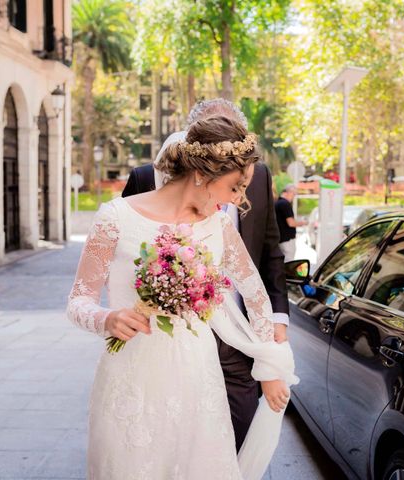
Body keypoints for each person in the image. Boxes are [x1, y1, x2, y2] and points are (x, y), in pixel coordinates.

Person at [67, 116, 296, 479]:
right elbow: (78, 300)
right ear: (203, 174)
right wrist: (107, 319)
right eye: (235, 187)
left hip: (196, 378)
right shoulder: (115, 217)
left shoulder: (218, 225)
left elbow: (255, 295)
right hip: (130, 377)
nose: (238, 200)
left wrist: (268, 366)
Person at [122, 98, 289, 450]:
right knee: (171, 431)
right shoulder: (143, 179)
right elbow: (123, 261)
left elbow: (270, 253)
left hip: (237, 330)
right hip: (166, 333)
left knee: (240, 419)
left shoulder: (257, 177)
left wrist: (275, 328)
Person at [275, 184, 307, 262]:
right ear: (288, 192)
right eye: (293, 194)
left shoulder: (277, 203)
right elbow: (291, 223)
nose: (293, 197)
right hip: (287, 240)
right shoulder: (285, 204)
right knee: (289, 262)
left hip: (281, 239)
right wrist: (303, 223)